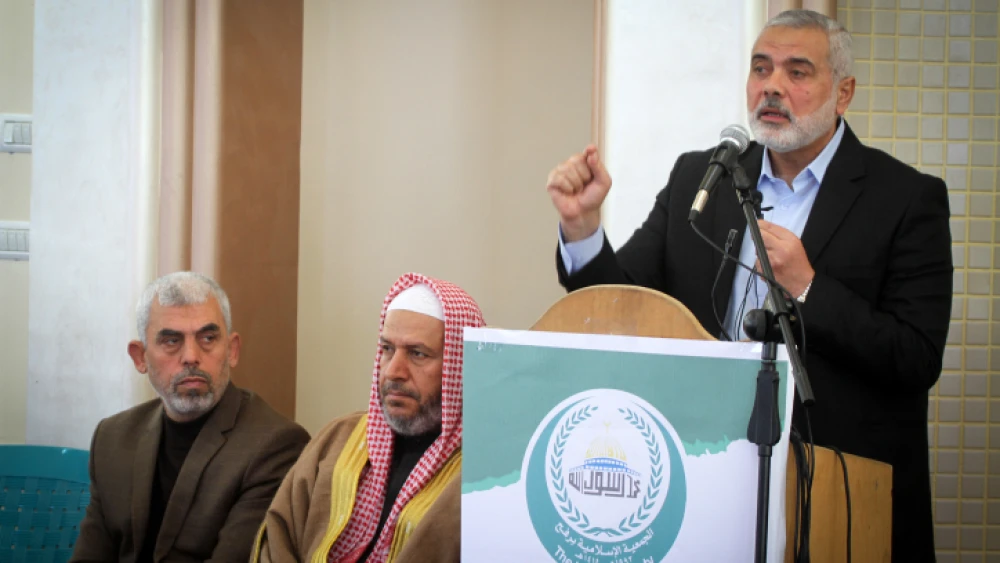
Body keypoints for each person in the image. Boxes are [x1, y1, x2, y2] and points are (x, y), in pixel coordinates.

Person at [546, 10, 951, 562]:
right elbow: (625, 304)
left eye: (798, 72)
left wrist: (809, 288)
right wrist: (583, 228)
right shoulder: (701, 179)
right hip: (704, 483)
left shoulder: (905, 198)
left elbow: (916, 357)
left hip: (838, 494)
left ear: (844, 91)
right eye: (760, 69)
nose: (772, 87)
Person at [71, 271, 310, 563]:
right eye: (171, 341)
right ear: (140, 357)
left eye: (208, 338)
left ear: (232, 350)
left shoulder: (275, 446)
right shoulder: (113, 437)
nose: (191, 356)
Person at [251, 272, 486, 563]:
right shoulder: (338, 438)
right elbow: (278, 540)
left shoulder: (484, 474)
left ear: (458, 366)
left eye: (417, 354)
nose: (393, 371)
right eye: (387, 349)